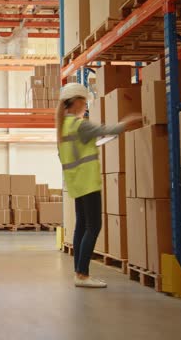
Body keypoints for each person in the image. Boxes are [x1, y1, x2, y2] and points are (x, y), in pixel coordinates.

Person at [56, 83, 140, 288]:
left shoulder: (63, 127)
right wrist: (128, 121)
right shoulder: (79, 125)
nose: (85, 106)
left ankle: (79, 271)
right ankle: (82, 274)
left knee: (82, 226)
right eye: (84, 102)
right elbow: (107, 129)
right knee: (94, 226)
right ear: (76, 101)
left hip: (76, 183)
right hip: (88, 182)